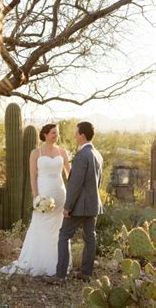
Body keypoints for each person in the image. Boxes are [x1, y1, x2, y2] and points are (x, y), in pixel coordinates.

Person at [0, 123, 71, 276]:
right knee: (41, 226)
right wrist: (36, 197)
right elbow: (33, 178)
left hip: (60, 195)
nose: (56, 135)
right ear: (45, 134)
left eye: (57, 133)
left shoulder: (62, 152)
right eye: (53, 133)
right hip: (43, 195)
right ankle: (40, 262)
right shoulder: (36, 153)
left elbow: (69, 175)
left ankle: (59, 264)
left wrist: (71, 196)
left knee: (59, 230)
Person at [44, 121, 103, 284]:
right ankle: (86, 273)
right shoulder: (97, 154)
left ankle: (60, 275)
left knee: (64, 235)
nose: (75, 136)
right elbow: (98, 182)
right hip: (93, 205)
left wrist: (67, 207)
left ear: (82, 136)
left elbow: (75, 184)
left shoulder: (82, 155)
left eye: (76, 133)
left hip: (79, 206)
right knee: (90, 238)